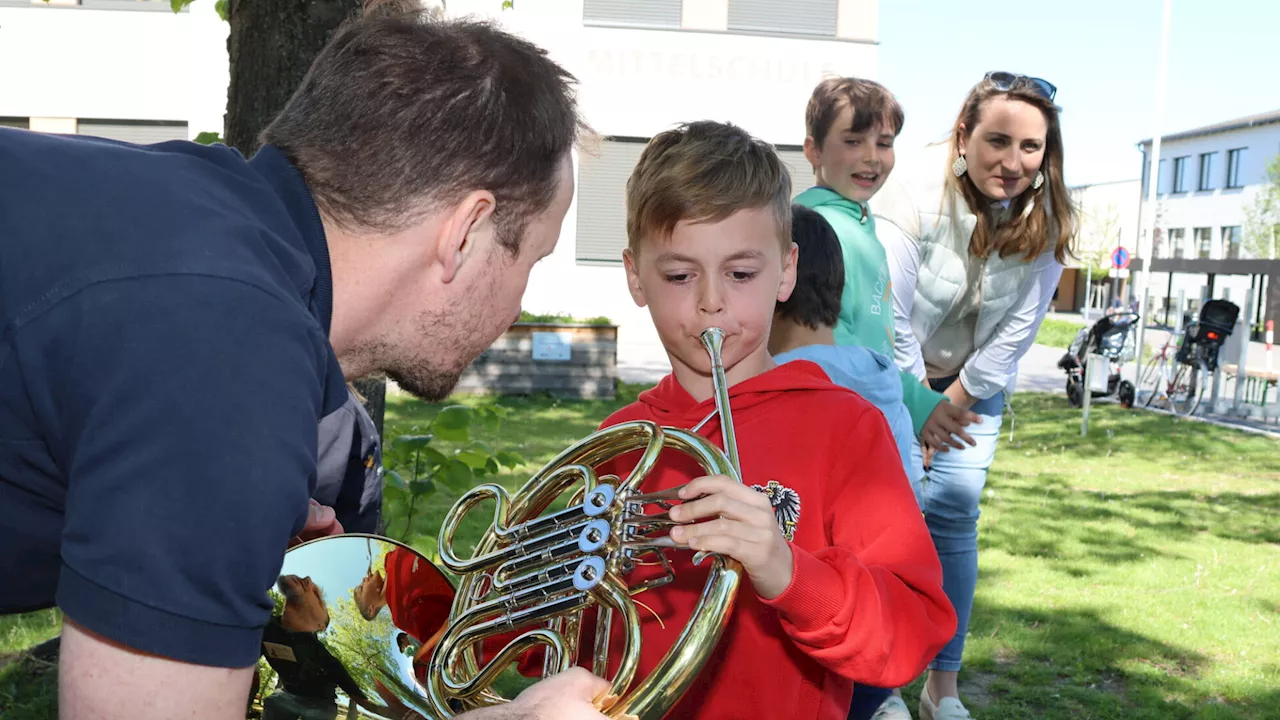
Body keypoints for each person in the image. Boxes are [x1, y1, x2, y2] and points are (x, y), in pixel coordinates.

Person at [0, 5, 612, 719]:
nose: (516, 309)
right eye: (530, 260)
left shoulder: (187, 225)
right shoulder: (229, 354)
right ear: (467, 231)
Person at [554, 120, 957, 719]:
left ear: (787, 271)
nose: (711, 301)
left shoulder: (845, 429)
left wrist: (787, 570)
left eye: (741, 274)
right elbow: (557, 654)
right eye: (678, 275)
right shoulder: (614, 446)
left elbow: (912, 631)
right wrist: (558, 585)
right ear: (636, 276)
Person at [872, 71, 1079, 720]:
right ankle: (881, 689)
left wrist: (953, 404)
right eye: (997, 141)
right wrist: (920, 409)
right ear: (963, 135)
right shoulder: (907, 193)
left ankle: (943, 689)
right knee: (887, 527)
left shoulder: (1050, 220)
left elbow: (1015, 337)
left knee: (954, 520)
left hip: (975, 386)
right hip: (896, 378)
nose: (1013, 162)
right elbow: (889, 313)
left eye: (1030, 148)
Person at [797, 77, 977, 472]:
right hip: (841, 432)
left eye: (884, 142)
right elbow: (830, 351)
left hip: (871, 419)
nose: (872, 157)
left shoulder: (860, 222)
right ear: (813, 150)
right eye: (853, 141)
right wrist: (907, 400)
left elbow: (872, 343)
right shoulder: (814, 229)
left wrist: (917, 401)